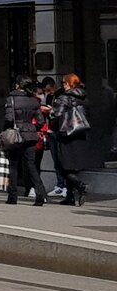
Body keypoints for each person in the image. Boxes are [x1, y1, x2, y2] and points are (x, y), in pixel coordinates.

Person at [3, 75, 48, 206]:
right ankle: (40, 194)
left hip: (16, 135)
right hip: (30, 135)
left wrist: (5, 131)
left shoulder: (11, 99)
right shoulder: (33, 101)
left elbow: (9, 119)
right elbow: (40, 121)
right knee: (32, 165)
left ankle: (13, 196)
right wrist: (31, 128)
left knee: (13, 165)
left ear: (17, 85)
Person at [50, 74, 90, 207]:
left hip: (66, 134)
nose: (63, 84)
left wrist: (50, 111)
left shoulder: (64, 97)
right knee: (71, 166)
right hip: (79, 134)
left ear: (69, 84)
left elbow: (57, 116)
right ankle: (70, 196)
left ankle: (81, 186)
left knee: (62, 166)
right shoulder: (84, 97)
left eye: (64, 82)